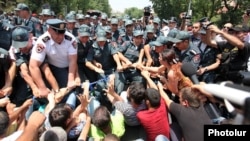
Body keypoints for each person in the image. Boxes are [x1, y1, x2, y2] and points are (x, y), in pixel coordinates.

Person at [29, 19, 78, 107]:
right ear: (49, 30)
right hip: (51, 67)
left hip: (68, 67)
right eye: (57, 34)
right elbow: (33, 66)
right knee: (48, 94)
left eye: (62, 33)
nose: (60, 36)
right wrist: (42, 87)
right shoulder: (42, 41)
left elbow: (72, 60)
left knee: (71, 91)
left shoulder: (70, 39)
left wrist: (71, 80)